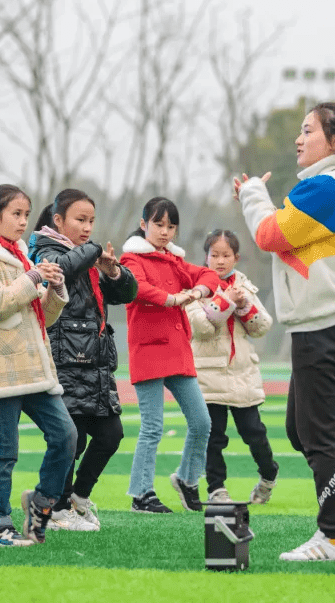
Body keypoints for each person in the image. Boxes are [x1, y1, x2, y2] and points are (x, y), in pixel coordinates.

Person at [234, 101, 335, 562]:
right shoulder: (334, 185)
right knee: (301, 432)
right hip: (322, 327)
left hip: (324, 328)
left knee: (319, 438)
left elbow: (268, 235)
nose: (299, 139)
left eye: (307, 131)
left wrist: (252, 194)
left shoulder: (327, 187)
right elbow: (285, 241)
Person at [0, 184, 75, 547]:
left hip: (34, 367)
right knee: (4, 450)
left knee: (66, 436)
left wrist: (55, 289)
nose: (23, 221)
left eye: (26, 214)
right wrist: (35, 277)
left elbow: (44, 317)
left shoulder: (23, 256)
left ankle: (40, 505)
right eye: (15, 214)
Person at [28, 188, 137, 531]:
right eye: (80, 220)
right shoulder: (46, 250)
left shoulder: (85, 257)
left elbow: (127, 294)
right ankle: (55, 508)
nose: (88, 227)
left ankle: (76, 496)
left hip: (96, 363)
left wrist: (114, 272)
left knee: (110, 434)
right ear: (58, 220)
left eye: (91, 221)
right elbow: (60, 269)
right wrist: (90, 252)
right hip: (66, 361)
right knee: (70, 440)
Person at [119, 197, 219, 514]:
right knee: (152, 427)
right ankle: (141, 495)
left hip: (178, 352)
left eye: (171, 226)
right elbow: (137, 288)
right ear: (143, 224)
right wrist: (173, 299)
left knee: (202, 422)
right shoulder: (131, 259)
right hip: (148, 351)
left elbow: (208, 275)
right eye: (158, 224)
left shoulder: (174, 260)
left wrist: (199, 291)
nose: (165, 232)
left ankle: (187, 479)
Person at [185, 230, 278, 505]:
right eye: (214, 255)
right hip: (208, 374)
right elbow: (200, 328)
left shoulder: (245, 286)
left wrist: (244, 304)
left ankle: (269, 475)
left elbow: (262, 327)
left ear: (236, 258)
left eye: (226, 255)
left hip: (241, 374)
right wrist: (226, 300)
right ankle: (217, 489)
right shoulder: (196, 287)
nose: (220, 261)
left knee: (254, 433)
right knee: (213, 437)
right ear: (206, 257)